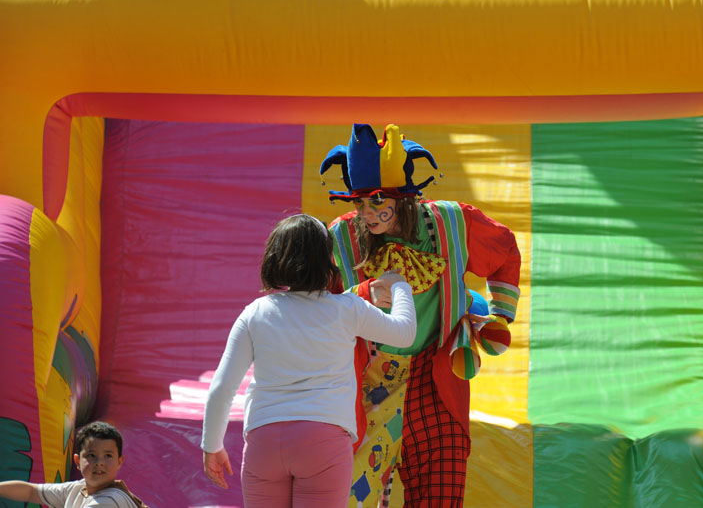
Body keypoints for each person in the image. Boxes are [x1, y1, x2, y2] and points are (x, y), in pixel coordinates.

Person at [319, 124, 521, 507]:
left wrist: (498, 317)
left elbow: (504, 249)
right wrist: (359, 295)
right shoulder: (338, 238)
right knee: (349, 500)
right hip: (365, 387)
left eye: (377, 202)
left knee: (441, 497)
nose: (367, 214)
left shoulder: (453, 222)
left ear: (404, 199)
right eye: (360, 203)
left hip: (437, 381)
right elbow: (318, 311)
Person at [201, 213, 417, 507]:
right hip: (324, 441)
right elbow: (405, 333)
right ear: (327, 259)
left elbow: (222, 387)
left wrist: (211, 445)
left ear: (274, 256)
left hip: (264, 441)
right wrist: (400, 285)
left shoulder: (255, 312)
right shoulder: (347, 308)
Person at [0, 420, 146, 508]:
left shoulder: (112, 499)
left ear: (119, 462)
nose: (99, 463)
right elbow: (30, 491)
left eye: (108, 456)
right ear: (77, 461)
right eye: (91, 456)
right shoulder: (77, 489)